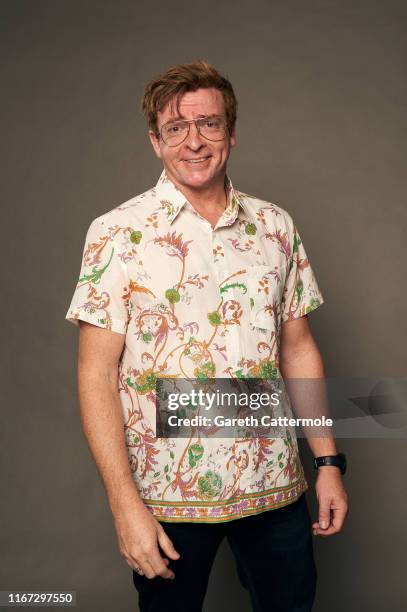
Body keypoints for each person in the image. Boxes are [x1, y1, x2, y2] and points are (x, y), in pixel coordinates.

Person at [65, 59, 348, 611]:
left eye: (209, 124)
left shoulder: (275, 226)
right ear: (155, 142)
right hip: (166, 499)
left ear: (231, 133)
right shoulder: (117, 233)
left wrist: (329, 463)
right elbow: (95, 373)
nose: (194, 141)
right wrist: (125, 507)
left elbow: (299, 349)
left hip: (274, 487)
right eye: (176, 128)